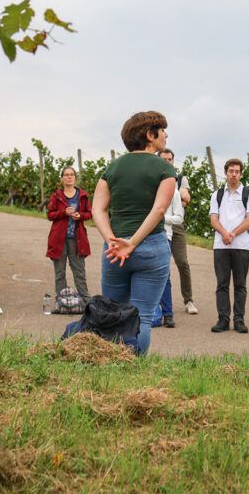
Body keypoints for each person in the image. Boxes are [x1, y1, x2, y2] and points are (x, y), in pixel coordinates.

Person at [91, 111, 176, 354]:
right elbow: (159, 209)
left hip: (114, 250)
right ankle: (135, 366)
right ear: (150, 135)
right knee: (143, 316)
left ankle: (112, 365)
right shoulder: (165, 168)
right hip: (151, 247)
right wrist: (133, 242)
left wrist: (112, 241)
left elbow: (98, 209)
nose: (166, 135)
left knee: (113, 314)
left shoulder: (113, 167)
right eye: (163, 130)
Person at [209, 158, 249, 333]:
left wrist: (233, 234)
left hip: (242, 245)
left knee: (240, 284)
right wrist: (224, 233)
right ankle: (223, 319)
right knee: (222, 284)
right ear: (226, 173)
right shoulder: (217, 195)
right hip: (221, 246)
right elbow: (213, 219)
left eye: (237, 172)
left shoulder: (248, 194)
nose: (234, 174)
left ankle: (239, 320)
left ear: (241, 174)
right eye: (231, 171)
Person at [158, 149, 198, 314]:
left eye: (170, 159)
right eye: (164, 159)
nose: (167, 162)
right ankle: (160, 302)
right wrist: (179, 197)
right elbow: (181, 199)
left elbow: (186, 199)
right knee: (161, 265)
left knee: (182, 262)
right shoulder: (154, 178)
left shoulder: (181, 178)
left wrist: (181, 197)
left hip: (176, 225)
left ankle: (188, 300)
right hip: (159, 226)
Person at [46, 166, 92, 302]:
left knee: (79, 271)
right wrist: (63, 213)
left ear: (75, 178)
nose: (69, 177)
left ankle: (86, 300)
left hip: (77, 239)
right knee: (60, 272)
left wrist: (80, 216)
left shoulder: (83, 195)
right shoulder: (56, 196)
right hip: (58, 239)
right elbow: (50, 215)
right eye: (66, 175)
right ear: (62, 179)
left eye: (71, 174)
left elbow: (89, 213)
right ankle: (62, 299)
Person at [153, 186, 185, 329]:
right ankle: (149, 312)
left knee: (164, 276)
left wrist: (160, 217)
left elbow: (179, 218)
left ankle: (168, 314)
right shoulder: (146, 187)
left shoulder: (174, 192)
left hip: (165, 236)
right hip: (143, 235)